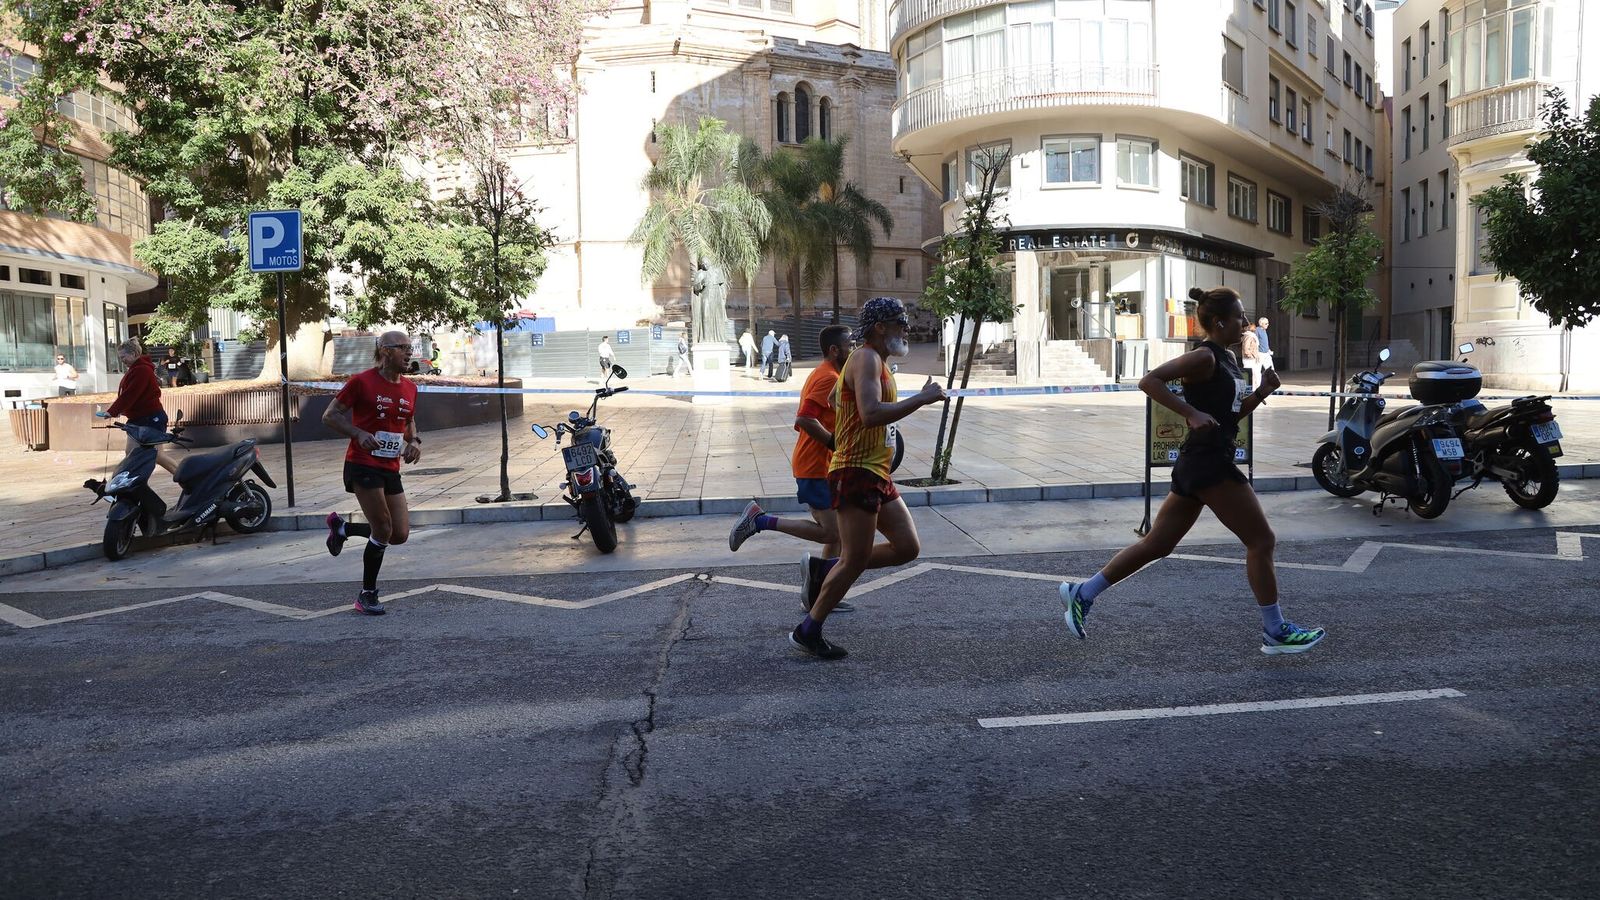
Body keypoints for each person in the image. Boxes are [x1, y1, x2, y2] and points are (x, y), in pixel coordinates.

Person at [1056, 287, 1324, 655]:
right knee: (1261, 541)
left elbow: (1229, 415)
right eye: (1239, 317)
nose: (1245, 323)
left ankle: (1082, 593)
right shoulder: (1203, 357)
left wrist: (1261, 392)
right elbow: (1149, 380)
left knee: (1157, 544)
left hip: (1201, 460)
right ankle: (1275, 629)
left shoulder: (1228, 359)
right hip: (1209, 463)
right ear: (1218, 322)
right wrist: (1190, 413)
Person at [789, 298, 946, 660]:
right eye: (900, 322)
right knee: (855, 559)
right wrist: (922, 399)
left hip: (876, 471)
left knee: (907, 547)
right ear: (879, 327)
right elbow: (872, 413)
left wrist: (846, 404)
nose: (906, 329)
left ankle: (824, 568)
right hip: (856, 471)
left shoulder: (875, 363)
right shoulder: (866, 358)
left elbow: (835, 396)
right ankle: (807, 630)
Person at [729, 324, 854, 610]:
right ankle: (759, 520)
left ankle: (820, 596)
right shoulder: (827, 377)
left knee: (836, 536)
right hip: (815, 467)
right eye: (850, 343)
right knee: (833, 534)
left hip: (824, 466)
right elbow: (805, 419)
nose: (854, 348)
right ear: (835, 350)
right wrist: (834, 443)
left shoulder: (832, 374)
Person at [321, 331, 422, 615]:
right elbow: (329, 415)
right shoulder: (361, 382)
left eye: (410, 347)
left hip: (390, 466)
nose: (409, 353)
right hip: (362, 463)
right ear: (385, 351)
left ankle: (343, 529)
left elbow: (409, 423)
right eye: (403, 348)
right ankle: (367, 594)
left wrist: (413, 442)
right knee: (382, 529)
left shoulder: (410, 388)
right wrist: (358, 433)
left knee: (399, 533)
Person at [95, 338, 178, 473]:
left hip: (149, 419)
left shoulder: (141, 370)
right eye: (120, 357)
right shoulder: (137, 369)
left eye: (123, 357)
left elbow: (130, 394)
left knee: (147, 454)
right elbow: (133, 396)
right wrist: (120, 410)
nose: (122, 360)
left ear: (133, 354)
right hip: (142, 419)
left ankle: (186, 477)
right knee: (143, 454)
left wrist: (112, 411)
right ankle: (187, 479)